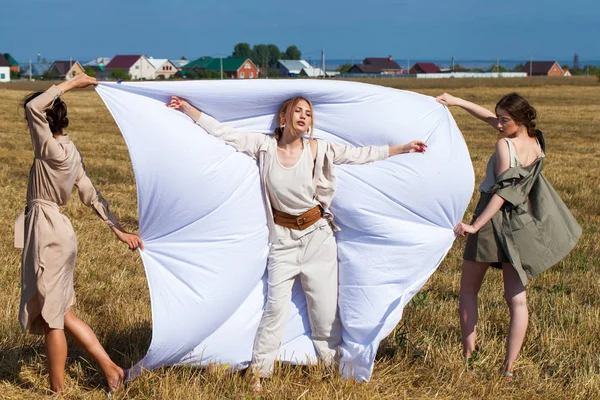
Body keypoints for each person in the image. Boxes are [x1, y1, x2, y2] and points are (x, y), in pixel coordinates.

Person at [167, 95, 426, 391]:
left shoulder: (318, 148)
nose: (304, 117)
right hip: (283, 241)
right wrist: (188, 110)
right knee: (275, 309)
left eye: (309, 113)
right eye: (298, 111)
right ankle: (259, 373)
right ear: (283, 118)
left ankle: (332, 369)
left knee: (325, 311)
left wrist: (402, 149)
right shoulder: (264, 146)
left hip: (318, 238)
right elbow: (225, 133)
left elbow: (359, 154)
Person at [436, 92, 581, 380]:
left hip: (493, 220)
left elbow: (502, 193)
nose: (498, 124)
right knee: (517, 301)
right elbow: (488, 117)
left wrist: (476, 225)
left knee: (468, 290)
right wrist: (457, 101)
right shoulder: (536, 142)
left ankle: (469, 358)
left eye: (504, 120)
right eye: (498, 118)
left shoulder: (505, 146)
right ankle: (509, 368)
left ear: (519, 120)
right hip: (521, 225)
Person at [16, 73, 144, 393]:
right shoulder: (70, 151)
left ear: (44, 121)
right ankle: (112, 371)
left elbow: (33, 106)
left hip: (47, 231)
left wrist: (71, 84)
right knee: (64, 313)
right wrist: (119, 229)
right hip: (60, 232)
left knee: (52, 321)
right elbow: (91, 194)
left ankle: (57, 392)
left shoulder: (48, 149)